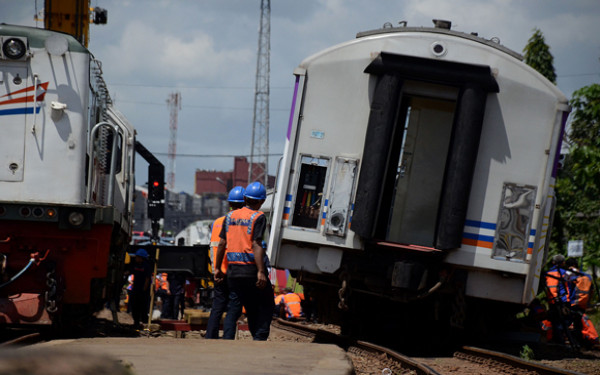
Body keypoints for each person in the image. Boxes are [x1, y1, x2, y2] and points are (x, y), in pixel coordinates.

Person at [215, 182, 275, 341]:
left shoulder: (229, 217)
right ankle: (259, 338)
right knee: (265, 304)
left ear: (245, 198)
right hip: (251, 270)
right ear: (261, 201)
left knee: (234, 308)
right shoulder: (258, 217)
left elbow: (221, 244)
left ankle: (227, 340)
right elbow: (256, 244)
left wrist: (217, 268)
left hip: (233, 272)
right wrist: (261, 271)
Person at [205, 186, 246, 339]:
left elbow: (212, 247)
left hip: (218, 270)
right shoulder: (238, 222)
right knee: (234, 307)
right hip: (232, 270)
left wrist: (215, 269)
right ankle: (228, 338)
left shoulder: (217, 222)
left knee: (217, 307)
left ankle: (210, 336)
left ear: (230, 204)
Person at [566, 258, 599, 347]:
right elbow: (591, 291)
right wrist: (588, 302)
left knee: (570, 324)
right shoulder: (587, 276)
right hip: (583, 304)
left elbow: (567, 289)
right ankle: (580, 343)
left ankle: (575, 343)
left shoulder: (570, 275)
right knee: (578, 324)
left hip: (573, 303)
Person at [544, 254, 572, 345]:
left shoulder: (548, 273)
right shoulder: (565, 273)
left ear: (553, 262)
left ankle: (558, 340)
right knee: (565, 321)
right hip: (563, 301)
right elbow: (572, 283)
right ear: (563, 263)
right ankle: (562, 341)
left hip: (552, 301)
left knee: (555, 321)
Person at [129, 248, 153, 329]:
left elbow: (147, 279)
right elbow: (130, 272)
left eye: (137, 257)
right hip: (135, 289)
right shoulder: (135, 265)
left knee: (142, 306)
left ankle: (144, 322)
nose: (136, 258)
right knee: (135, 306)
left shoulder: (146, 266)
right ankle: (136, 322)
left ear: (141, 257)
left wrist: (144, 289)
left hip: (143, 291)